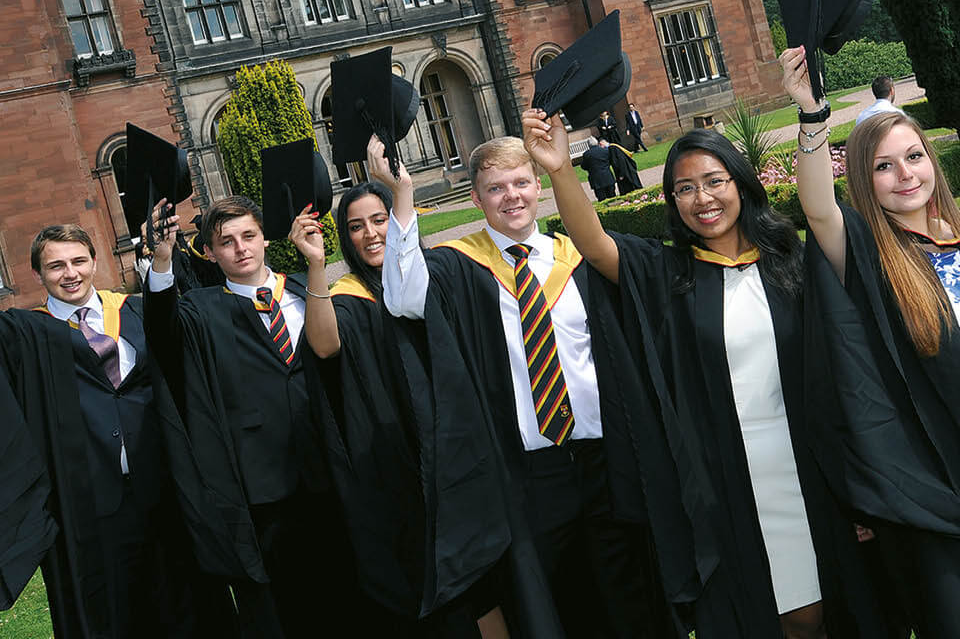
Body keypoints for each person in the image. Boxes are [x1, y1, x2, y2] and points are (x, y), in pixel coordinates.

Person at [522, 107, 898, 639]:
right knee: (770, 615)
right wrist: (561, 169)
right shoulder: (669, 274)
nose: (702, 198)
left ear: (740, 183)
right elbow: (596, 244)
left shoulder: (790, 260)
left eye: (714, 181)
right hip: (729, 481)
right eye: (685, 188)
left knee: (829, 609)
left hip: (810, 466)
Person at [381, 133, 677, 638]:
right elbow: (403, 298)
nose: (511, 196)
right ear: (476, 199)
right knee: (551, 608)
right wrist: (401, 195)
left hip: (605, 461)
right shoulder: (458, 266)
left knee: (629, 601)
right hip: (529, 474)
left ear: (538, 186)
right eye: (495, 188)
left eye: (520, 183)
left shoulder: (577, 257)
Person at [291, 177, 522, 638]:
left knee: (486, 582)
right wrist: (315, 266)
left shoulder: (429, 275)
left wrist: (402, 195)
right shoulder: (348, 296)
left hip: (459, 447)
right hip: (402, 466)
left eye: (379, 220)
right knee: (440, 588)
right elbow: (324, 345)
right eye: (356, 226)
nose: (371, 233)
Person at [782, 45, 960, 637]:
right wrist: (812, 116)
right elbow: (818, 209)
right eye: (885, 166)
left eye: (914, 157)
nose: (905, 174)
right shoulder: (867, 253)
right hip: (933, 482)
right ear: (864, 178)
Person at [0, 224, 236, 638]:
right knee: (111, 617)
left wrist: (162, 261)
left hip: (164, 490)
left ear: (95, 262)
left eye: (78, 261)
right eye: (55, 266)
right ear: (37, 274)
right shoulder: (24, 336)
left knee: (189, 605)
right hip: (88, 508)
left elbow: (177, 350)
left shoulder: (136, 312)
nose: (70, 273)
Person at [143, 196, 360, 638]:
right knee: (292, 609)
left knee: (352, 594)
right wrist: (162, 261)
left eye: (249, 236)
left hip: (333, 469)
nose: (241, 248)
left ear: (265, 239)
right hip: (264, 490)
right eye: (226, 242)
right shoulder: (199, 310)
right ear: (209, 252)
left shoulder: (305, 288)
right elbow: (162, 332)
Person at [581, 136, 617, 201]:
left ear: (589, 145)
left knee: (601, 199)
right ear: (597, 143)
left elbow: (584, 166)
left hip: (596, 180)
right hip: (607, 176)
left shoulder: (586, 154)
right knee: (613, 197)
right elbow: (611, 161)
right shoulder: (605, 150)